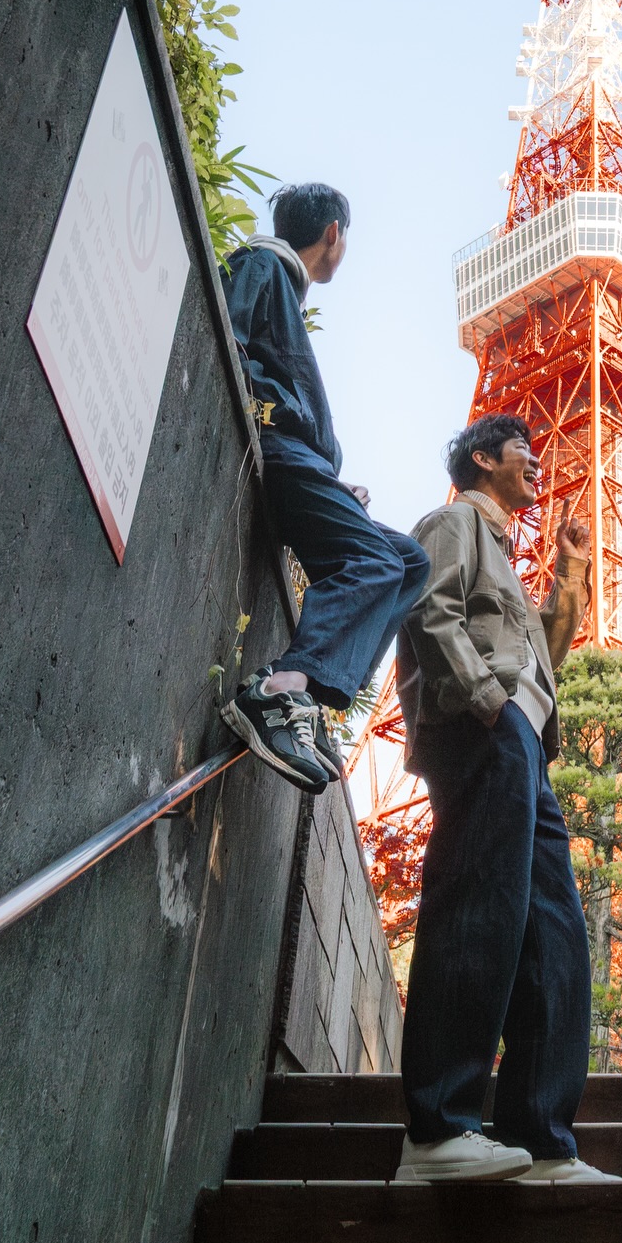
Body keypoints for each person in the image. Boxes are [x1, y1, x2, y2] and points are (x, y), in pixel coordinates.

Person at [393, 414, 613, 1185]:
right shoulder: (455, 519)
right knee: (479, 903)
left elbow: (542, 660)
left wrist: (571, 574)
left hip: (526, 740)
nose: (537, 459)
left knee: (556, 933)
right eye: (524, 447)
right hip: (483, 726)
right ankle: (437, 1127)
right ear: (483, 458)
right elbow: (428, 606)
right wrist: (485, 700)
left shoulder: (513, 561)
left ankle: (542, 1139)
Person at [219, 183, 430, 793]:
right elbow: (230, 336)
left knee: (410, 562)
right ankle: (281, 688)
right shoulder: (261, 264)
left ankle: (309, 697)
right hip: (282, 455)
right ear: (333, 234)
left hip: (308, 468)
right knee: (374, 561)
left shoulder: (283, 282)